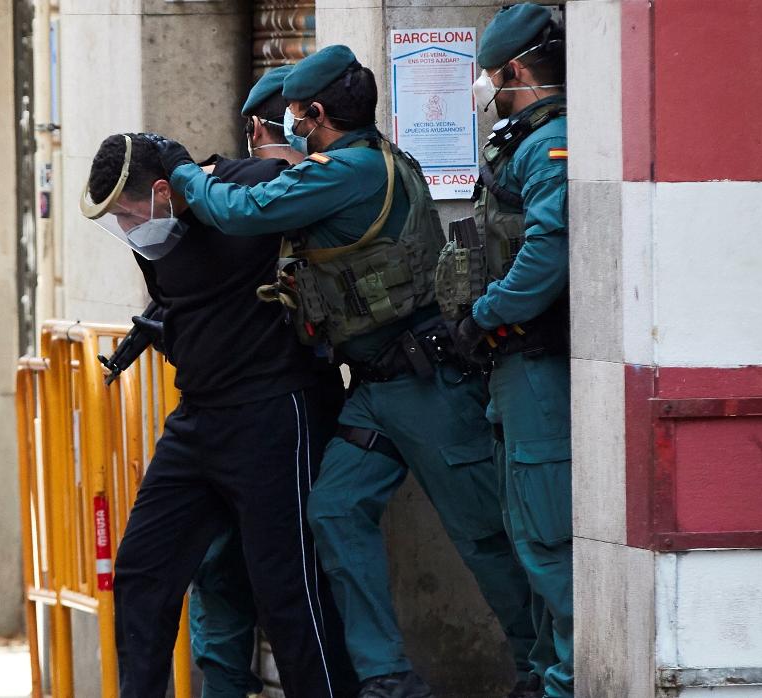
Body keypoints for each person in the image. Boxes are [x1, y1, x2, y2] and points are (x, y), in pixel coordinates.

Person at [152, 45, 541, 698]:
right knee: (333, 511)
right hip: (375, 390)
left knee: (483, 540)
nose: (290, 123)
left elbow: (239, 212)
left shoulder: (348, 172)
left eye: (296, 113)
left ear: (316, 113)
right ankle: (386, 677)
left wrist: (182, 173)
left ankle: (542, 670)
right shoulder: (373, 159)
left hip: (427, 389)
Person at [82, 132, 359, 698]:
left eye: (130, 216)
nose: (130, 232)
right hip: (198, 416)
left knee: (287, 589)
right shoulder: (156, 239)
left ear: (164, 190)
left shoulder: (250, 188)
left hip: (273, 412)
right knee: (142, 572)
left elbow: (301, 196)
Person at [443, 5, 574, 697]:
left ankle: (567, 682)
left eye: (490, 75)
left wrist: (486, 316)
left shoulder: (549, 144)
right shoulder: (525, 141)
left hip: (535, 367)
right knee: (529, 534)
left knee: (551, 540)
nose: (485, 86)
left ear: (515, 71)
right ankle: (544, 676)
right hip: (511, 370)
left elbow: (547, 253)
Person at [185, 65, 307, 698]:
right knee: (220, 563)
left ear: (258, 126)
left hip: (282, 403)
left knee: (281, 570)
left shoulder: (288, 184)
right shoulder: (242, 186)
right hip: (254, 402)